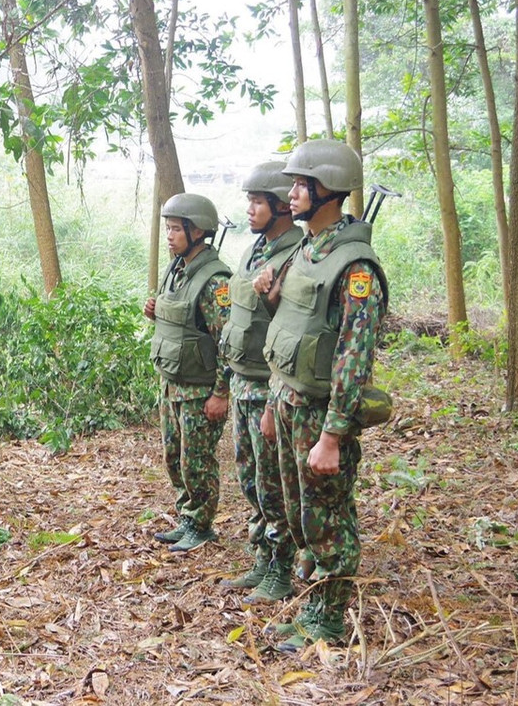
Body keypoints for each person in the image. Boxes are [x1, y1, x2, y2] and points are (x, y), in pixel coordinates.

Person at [253, 140, 388, 652]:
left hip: (319, 415)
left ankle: (329, 618)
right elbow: (288, 331)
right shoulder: (305, 251)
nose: (290, 194)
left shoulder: (356, 269)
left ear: (326, 189)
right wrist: (271, 402)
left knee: (326, 517)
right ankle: (312, 605)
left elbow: (354, 359)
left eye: (299, 186)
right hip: (287, 404)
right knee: (297, 513)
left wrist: (332, 435)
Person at [218, 161, 303, 603]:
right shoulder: (257, 249)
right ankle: (262, 559)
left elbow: (293, 327)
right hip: (242, 381)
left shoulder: (294, 253)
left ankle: (282, 569)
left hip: (269, 385)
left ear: (278, 205)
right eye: (249, 200)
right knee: (251, 480)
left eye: (257, 201)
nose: (250, 209)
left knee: (274, 484)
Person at [144, 193, 232, 553]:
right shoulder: (177, 269)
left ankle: (202, 523)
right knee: (174, 457)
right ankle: (188, 515)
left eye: (176, 229)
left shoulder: (215, 281)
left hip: (199, 389)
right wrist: (155, 311)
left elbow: (228, 341)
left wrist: (221, 393)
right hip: (173, 382)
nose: (169, 235)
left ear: (198, 232)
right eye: (167, 228)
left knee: (196, 461)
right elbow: (182, 318)